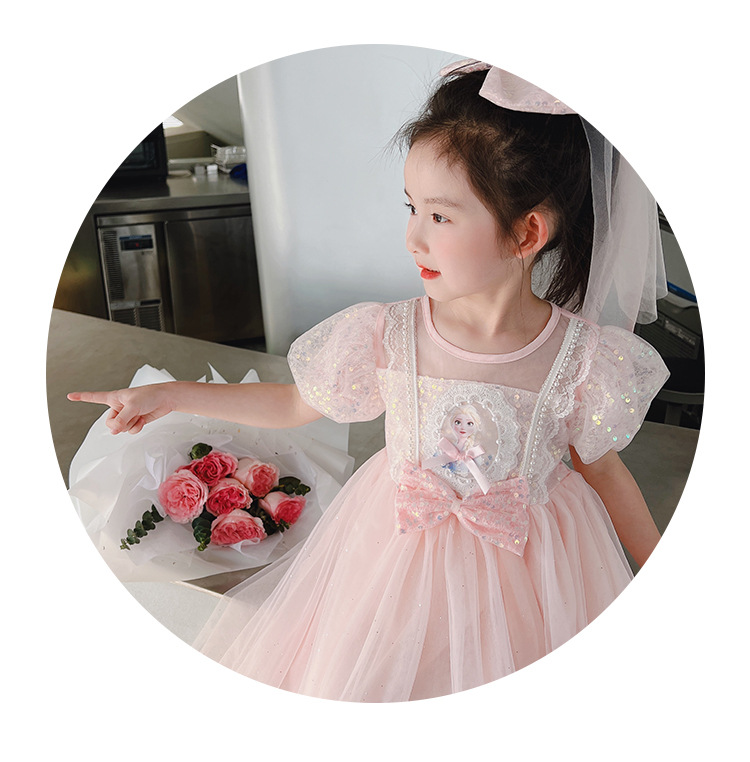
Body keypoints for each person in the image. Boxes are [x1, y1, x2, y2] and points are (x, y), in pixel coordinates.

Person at [68, 61, 669, 701]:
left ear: (527, 232)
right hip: (389, 565)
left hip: (535, 576)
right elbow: (292, 404)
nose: (412, 237)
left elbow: (606, 473)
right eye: (411, 208)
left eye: (440, 217)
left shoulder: (583, 358)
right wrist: (169, 394)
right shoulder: (388, 333)